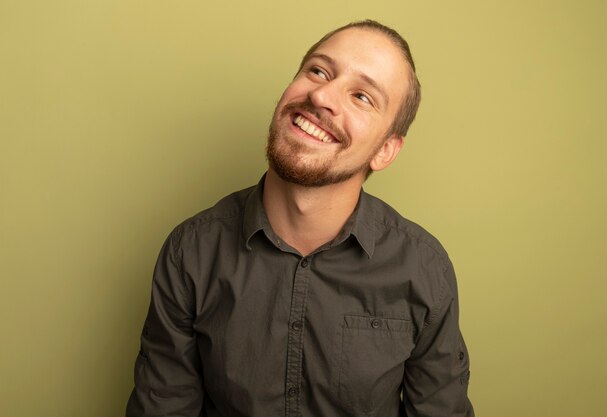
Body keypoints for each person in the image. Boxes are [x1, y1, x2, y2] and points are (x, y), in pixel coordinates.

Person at [126, 20, 474, 417]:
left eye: (362, 96)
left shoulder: (424, 269)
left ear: (385, 151)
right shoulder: (190, 252)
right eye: (318, 71)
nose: (323, 94)